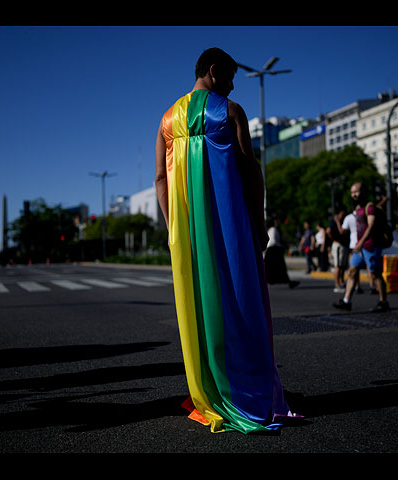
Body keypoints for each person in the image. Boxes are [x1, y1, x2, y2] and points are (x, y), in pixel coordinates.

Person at [154, 47, 299, 434]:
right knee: (242, 302)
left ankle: (208, 392)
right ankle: (247, 393)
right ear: (214, 72)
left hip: (185, 232)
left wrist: (173, 231)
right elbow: (250, 171)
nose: (234, 85)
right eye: (231, 77)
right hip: (230, 225)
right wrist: (259, 222)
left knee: (199, 309)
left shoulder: (168, 120)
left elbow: (160, 180)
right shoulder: (229, 110)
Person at [333, 182, 390, 313]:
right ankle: (346, 301)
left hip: (371, 246)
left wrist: (361, 242)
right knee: (352, 271)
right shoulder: (358, 208)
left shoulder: (369, 207)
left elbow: (371, 225)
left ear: (363, 192)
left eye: (356, 191)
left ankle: (383, 301)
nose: (354, 194)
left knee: (376, 274)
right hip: (360, 248)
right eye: (352, 192)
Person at [265, 218, 299, 288]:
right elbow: (273, 241)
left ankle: (287, 281)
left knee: (270, 268)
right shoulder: (273, 229)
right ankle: (288, 282)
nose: (277, 222)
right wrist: (280, 246)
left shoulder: (271, 229)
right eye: (275, 221)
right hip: (274, 250)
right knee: (280, 268)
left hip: (271, 250)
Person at [326, 205, 350, 293]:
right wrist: (334, 239)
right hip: (338, 244)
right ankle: (337, 284)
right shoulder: (335, 221)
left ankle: (341, 282)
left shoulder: (344, 220)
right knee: (338, 266)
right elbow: (328, 231)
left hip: (344, 244)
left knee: (342, 266)